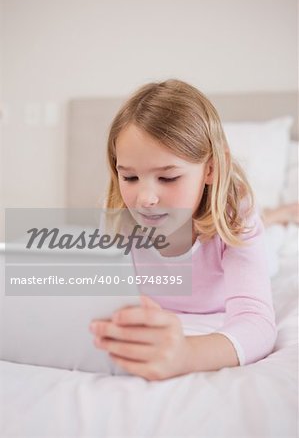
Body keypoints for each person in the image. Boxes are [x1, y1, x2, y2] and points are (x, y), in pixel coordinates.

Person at [89, 79, 278, 381]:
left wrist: (186, 354)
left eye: (168, 178)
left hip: (238, 235)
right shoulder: (117, 216)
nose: (145, 199)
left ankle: (275, 215)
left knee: (271, 241)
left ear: (211, 170)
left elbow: (257, 322)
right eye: (130, 178)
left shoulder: (235, 217)